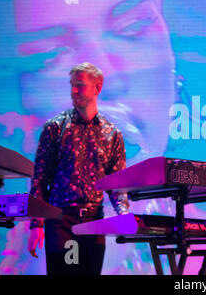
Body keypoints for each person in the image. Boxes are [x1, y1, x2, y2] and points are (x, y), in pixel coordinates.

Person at [27, 63, 130, 275]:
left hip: (94, 221)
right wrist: (36, 224)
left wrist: (123, 215)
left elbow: (117, 183)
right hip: (62, 220)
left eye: (80, 85)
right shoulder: (55, 127)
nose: (74, 91)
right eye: (72, 85)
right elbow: (40, 178)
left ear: (97, 88)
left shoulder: (112, 134)